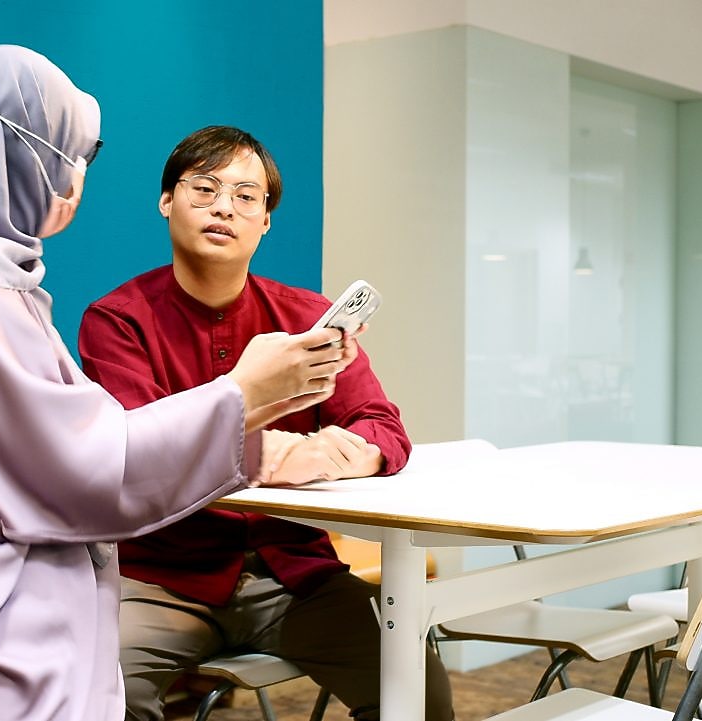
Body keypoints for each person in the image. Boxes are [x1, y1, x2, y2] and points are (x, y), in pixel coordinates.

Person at [0, 49, 359, 721]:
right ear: (25, 156)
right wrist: (243, 395)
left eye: (246, 196)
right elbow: (90, 467)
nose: (75, 179)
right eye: (71, 155)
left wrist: (260, 396)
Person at [78, 125, 455, 721]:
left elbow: (382, 426)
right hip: (162, 574)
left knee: (414, 681)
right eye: (204, 189)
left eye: (246, 196)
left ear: (266, 220)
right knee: (98, 686)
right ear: (166, 201)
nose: (224, 206)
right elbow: (139, 451)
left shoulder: (307, 318)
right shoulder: (117, 321)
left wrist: (327, 451)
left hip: (292, 572)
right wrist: (263, 452)